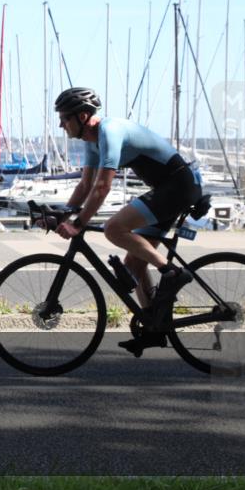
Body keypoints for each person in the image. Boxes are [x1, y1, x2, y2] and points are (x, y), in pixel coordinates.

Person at [51, 87, 203, 355]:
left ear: (83, 116)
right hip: (168, 188)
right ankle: (154, 327)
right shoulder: (91, 141)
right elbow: (86, 184)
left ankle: (173, 273)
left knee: (113, 228)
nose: (61, 124)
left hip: (178, 185)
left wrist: (79, 222)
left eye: (64, 118)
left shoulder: (110, 131)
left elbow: (102, 188)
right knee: (133, 262)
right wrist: (63, 213)